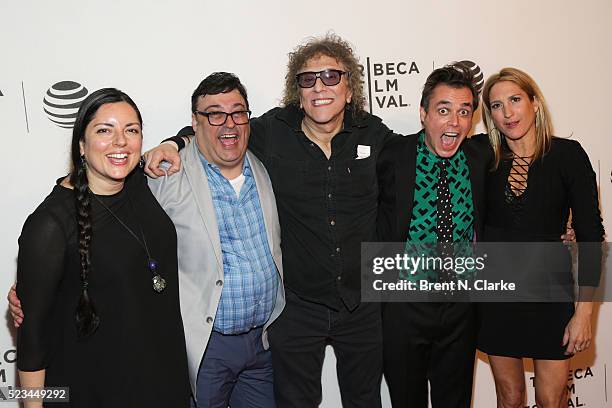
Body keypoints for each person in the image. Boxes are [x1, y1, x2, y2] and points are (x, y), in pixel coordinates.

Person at [145, 34, 393, 408]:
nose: (320, 87)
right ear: (297, 89)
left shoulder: (374, 135)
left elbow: (414, 170)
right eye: (308, 79)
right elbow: (219, 128)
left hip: (362, 304)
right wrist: (173, 142)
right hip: (297, 308)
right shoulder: (271, 131)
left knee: (366, 400)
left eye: (331, 76)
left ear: (350, 87)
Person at [14, 88, 190, 407]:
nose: (120, 142)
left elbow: (195, 132)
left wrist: (174, 142)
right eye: (104, 130)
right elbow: (33, 337)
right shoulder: (51, 223)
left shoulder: (137, 181)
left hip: (164, 381)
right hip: (96, 389)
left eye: (131, 130)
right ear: (81, 145)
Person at [148, 72, 285, 408]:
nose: (229, 123)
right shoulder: (166, 177)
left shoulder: (266, 165)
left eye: (238, 112)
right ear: (195, 122)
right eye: (214, 113)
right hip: (207, 347)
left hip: (262, 342)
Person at [477, 67, 604, 407]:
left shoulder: (568, 156)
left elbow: (591, 236)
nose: (507, 113)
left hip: (551, 295)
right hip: (497, 297)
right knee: (511, 396)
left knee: (552, 398)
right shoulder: (481, 154)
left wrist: (583, 314)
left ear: (534, 103)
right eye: (497, 105)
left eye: (515, 100)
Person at [376, 63, 491, 408]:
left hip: (460, 308)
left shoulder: (481, 156)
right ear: (424, 114)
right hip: (404, 305)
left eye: (464, 112)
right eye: (443, 110)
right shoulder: (392, 156)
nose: (454, 122)